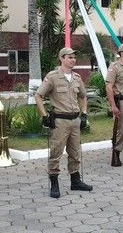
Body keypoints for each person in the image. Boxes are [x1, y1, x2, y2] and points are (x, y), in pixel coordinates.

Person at [35, 48, 93, 198]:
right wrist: (44, 115)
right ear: (62, 58)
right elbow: (38, 95)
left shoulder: (77, 77)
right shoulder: (53, 77)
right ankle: (54, 183)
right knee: (56, 153)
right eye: (70, 57)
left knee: (75, 153)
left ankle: (75, 181)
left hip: (74, 120)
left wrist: (84, 114)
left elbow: (83, 96)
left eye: (74, 57)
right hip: (60, 121)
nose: (73, 60)